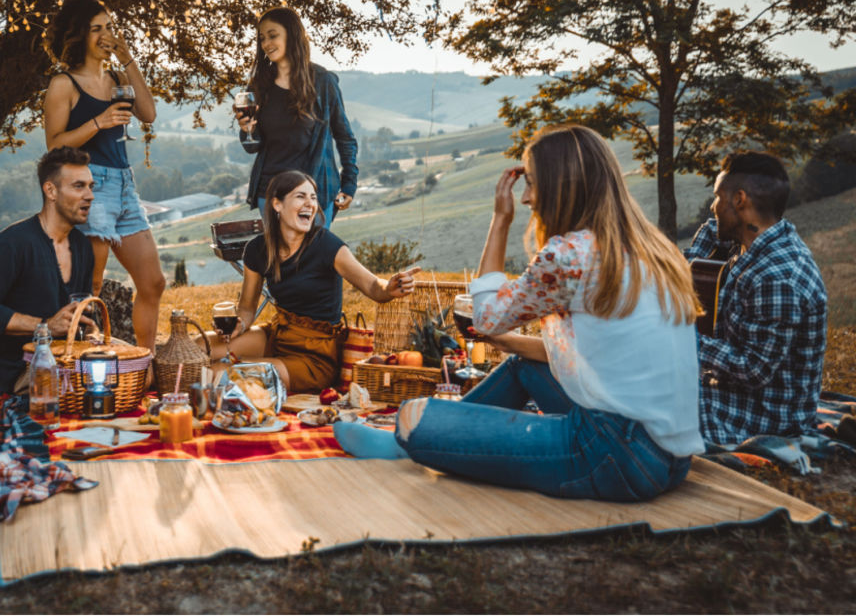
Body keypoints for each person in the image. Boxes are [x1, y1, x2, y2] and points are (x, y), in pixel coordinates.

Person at [335, 125, 703, 502]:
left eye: (532, 183)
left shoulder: (570, 254)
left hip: (612, 455)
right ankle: (431, 437)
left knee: (414, 417)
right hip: (668, 458)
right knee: (523, 366)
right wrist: (508, 343)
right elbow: (593, 354)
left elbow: (487, 317)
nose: (526, 198)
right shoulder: (653, 251)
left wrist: (500, 221)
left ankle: (411, 441)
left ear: (561, 186)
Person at [201, 171, 418, 393]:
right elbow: (247, 307)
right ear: (277, 204)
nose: (310, 204)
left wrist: (389, 288)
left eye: (313, 197)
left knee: (220, 373)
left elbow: (373, 287)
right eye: (300, 197)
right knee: (197, 349)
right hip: (278, 336)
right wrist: (241, 324)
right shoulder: (257, 249)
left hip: (315, 356)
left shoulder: (328, 246)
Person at [42, 0, 164, 351]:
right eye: (97, 28)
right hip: (89, 186)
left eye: (109, 26)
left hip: (125, 184)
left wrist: (127, 57)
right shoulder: (64, 84)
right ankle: (81, 365)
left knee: (153, 282)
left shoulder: (116, 76)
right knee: (89, 288)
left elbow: (149, 113)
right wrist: (99, 122)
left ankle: (145, 361)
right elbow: (54, 147)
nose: (106, 34)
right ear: (79, 35)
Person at [683, 151, 827, 445]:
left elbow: (752, 371)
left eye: (717, 198)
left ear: (739, 200)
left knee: (641, 405)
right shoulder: (747, 239)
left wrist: (679, 338)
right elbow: (695, 257)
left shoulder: (777, 278)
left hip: (765, 416)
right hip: (725, 388)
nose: (713, 207)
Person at [0, 146, 98, 396]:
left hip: (73, 360)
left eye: (91, 186)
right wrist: (45, 326)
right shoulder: (12, 244)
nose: (89, 195)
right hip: (29, 372)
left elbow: (82, 313)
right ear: (51, 191)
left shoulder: (82, 246)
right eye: (79, 186)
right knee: (101, 387)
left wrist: (93, 332)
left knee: (144, 369)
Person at [235, 7, 358, 228]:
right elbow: (253, 147)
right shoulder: (258, 86)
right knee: (282, 262)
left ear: (291, 35)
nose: (266, 43)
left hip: (315, 191)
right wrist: (246, 131)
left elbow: (345, 137)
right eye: (262, 38)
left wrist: (349, 185)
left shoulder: (323, 82)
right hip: (272, 194)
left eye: (273, 35)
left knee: (315, 260)